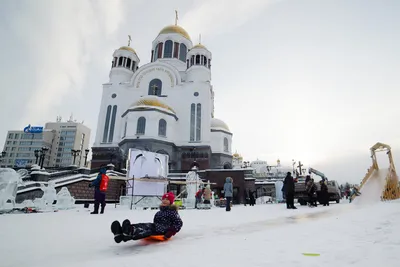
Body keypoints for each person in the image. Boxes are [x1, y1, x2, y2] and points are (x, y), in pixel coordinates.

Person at [111, 192, 183, 243]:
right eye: (163, 199)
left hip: (163, 230)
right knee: (144, 225)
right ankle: (122, 232)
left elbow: (178, 223)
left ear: (171, 202)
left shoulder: (173, 212)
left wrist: (171, 231)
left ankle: (130, 232)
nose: (164, 200)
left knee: (147, 230)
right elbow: (155, 222)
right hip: (156, 226)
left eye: (167, 199)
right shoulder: (159, 212)